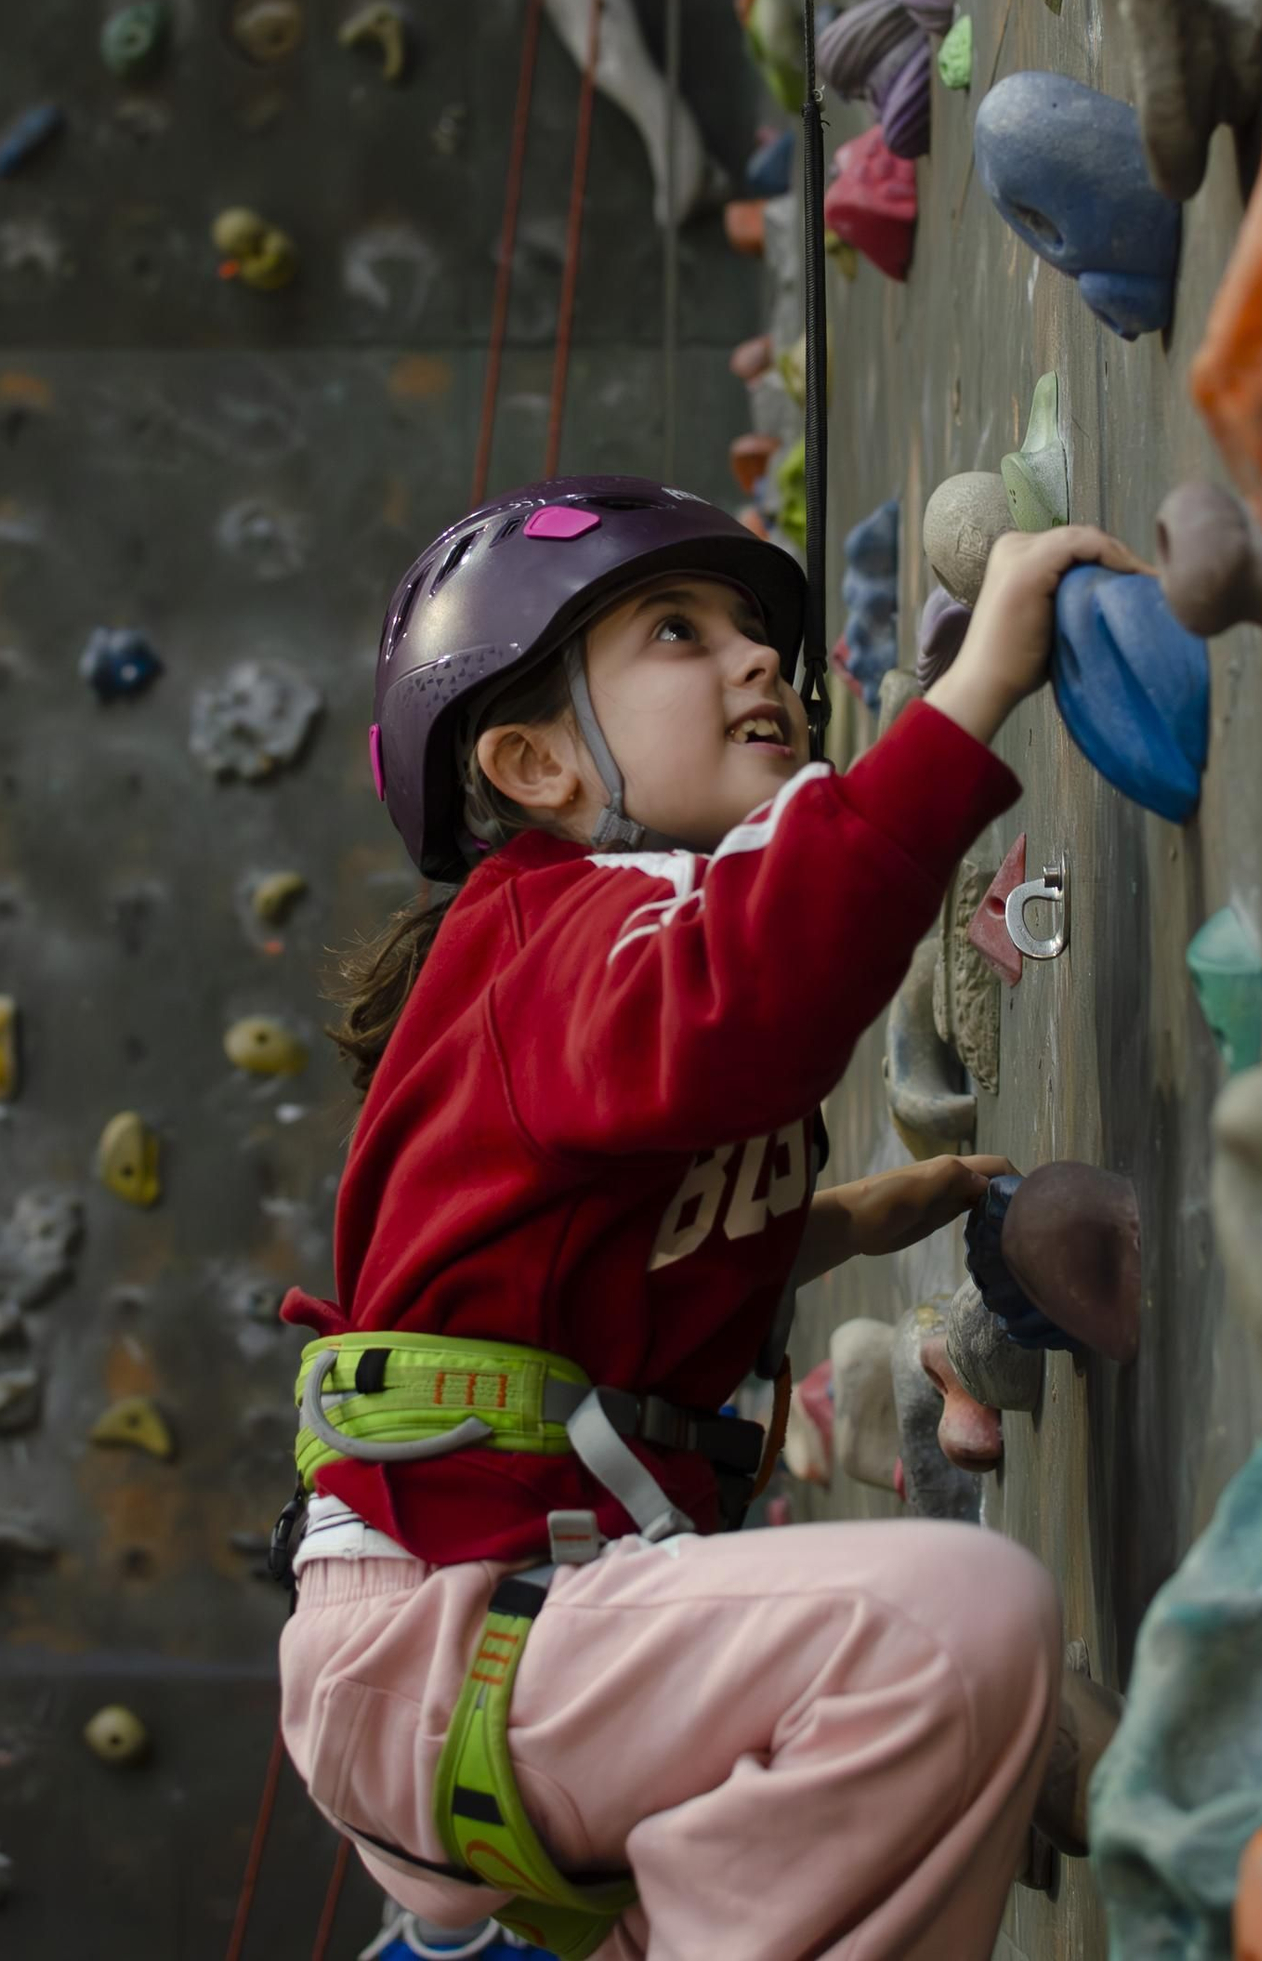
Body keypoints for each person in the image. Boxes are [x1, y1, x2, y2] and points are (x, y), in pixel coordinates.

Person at [277, 475, 1140, 1961]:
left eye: (757, 629)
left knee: (957, 1699)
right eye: (680, 631)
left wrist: (854, 1221)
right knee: (959, 1626)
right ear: (537, 761)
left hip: (515, 1638)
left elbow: (594, 1268)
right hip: (455, 1641)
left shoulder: (597, 947)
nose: (759, 661)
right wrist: (974, 690)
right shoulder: (554, 931)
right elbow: (742, 1002)